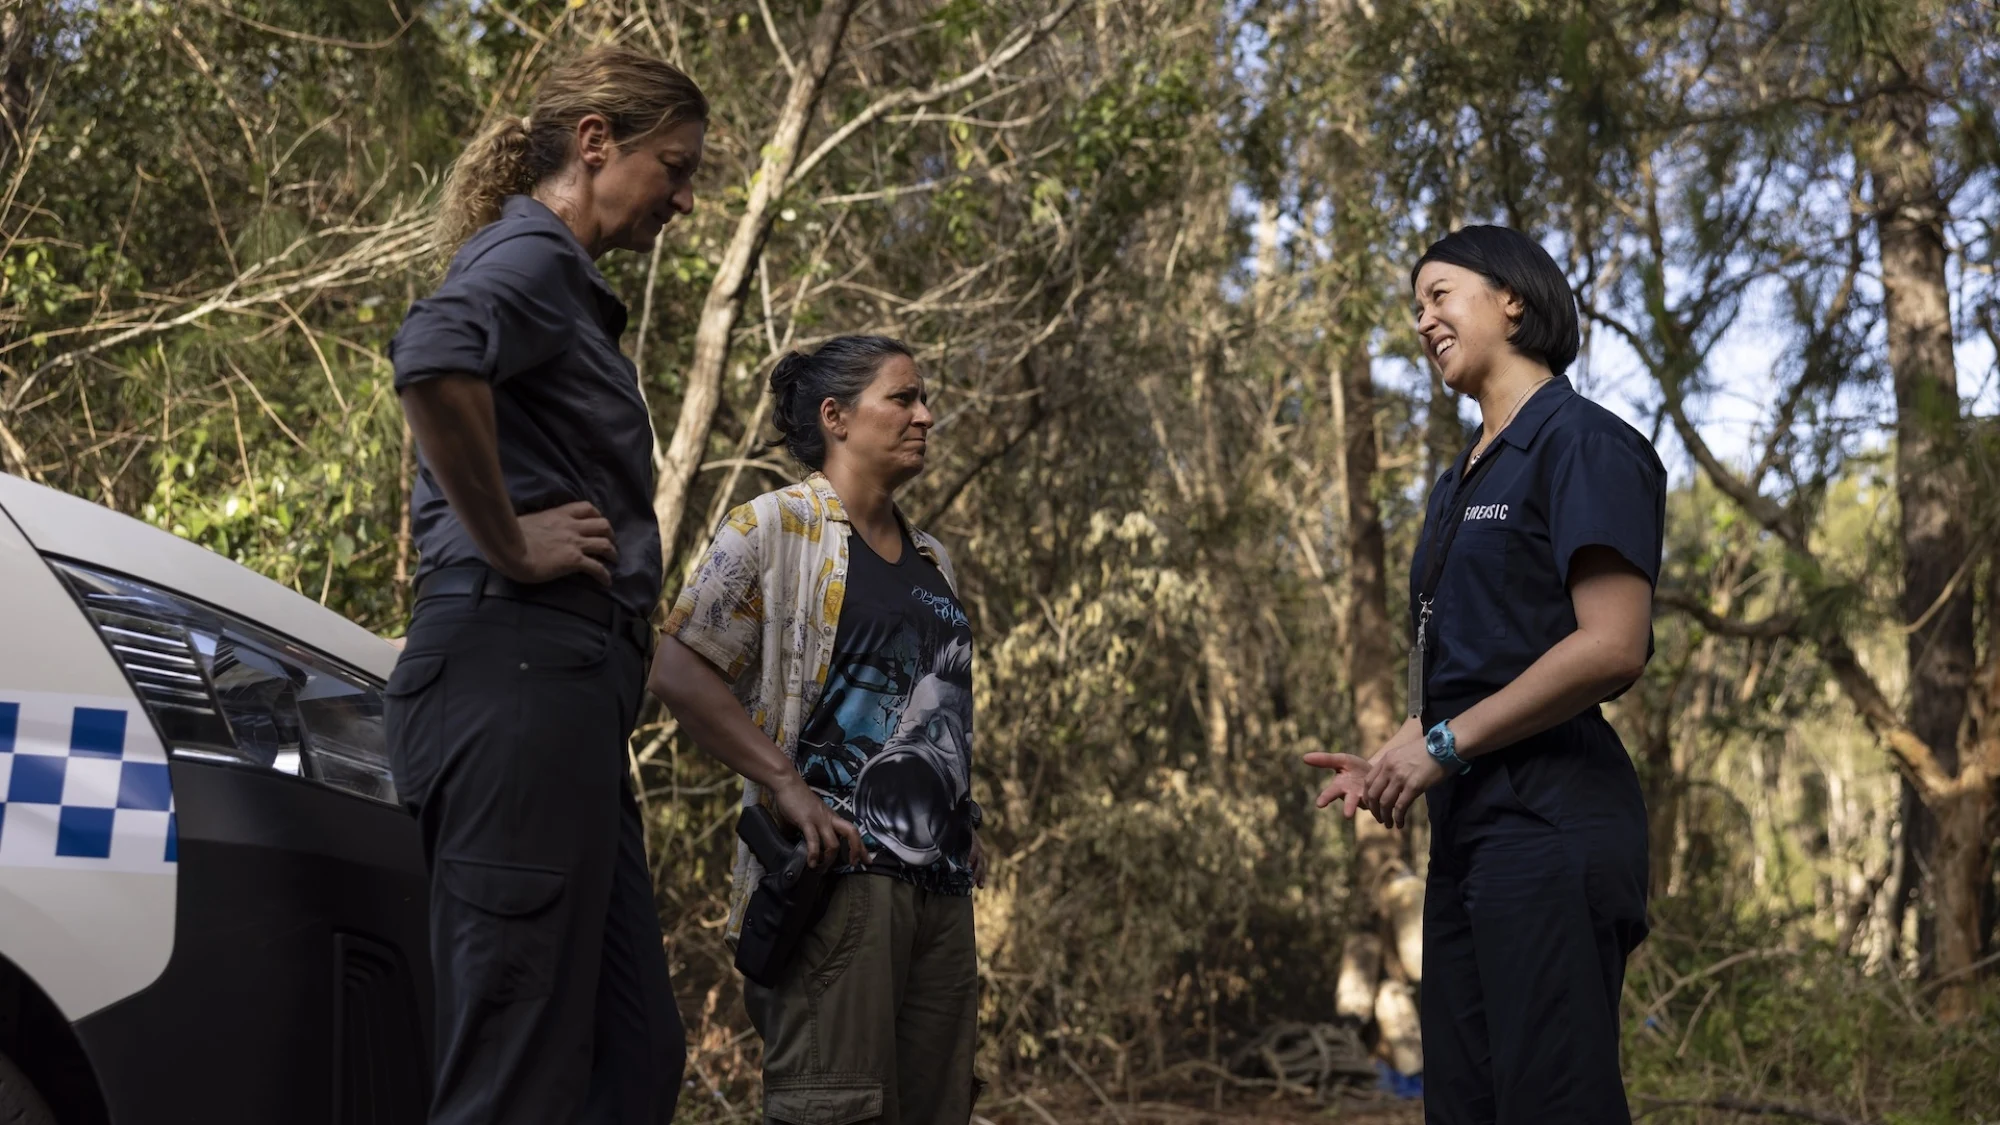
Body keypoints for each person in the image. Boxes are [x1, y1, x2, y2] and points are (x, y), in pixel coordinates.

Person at [382, 48, 707, 1125]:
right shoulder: (531, 252)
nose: (683, 198)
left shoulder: (562, 278)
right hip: (512, 674)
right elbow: (434, 356)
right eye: (675, 167)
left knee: (633, 1053)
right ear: (596, 141)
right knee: (513, 1071)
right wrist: (510, 544)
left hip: (568, 705)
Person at [1307, 226, 1664, 1124]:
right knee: (1463, 1104)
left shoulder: (1584, 443)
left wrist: (1441, 744)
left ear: (1513, 299)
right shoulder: (1454, 481)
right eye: (1415, 305)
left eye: (1440, 295)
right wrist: (1395, 757)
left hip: (1553, 825)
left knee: (1553, 1104)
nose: (1422, 319)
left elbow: (1614, 645)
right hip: (1467, 838)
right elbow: (1459, 671)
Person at [650, 335, 986, 1125]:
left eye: (924, 399)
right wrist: (784, 782)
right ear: (836, 417)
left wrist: (963, 817)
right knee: (836, 1107)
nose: (924, 415)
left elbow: (930, 705)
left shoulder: (933, 560)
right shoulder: (775, 527)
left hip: (941, 896)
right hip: (840, 885)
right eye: (902, 398)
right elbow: (678, 669)